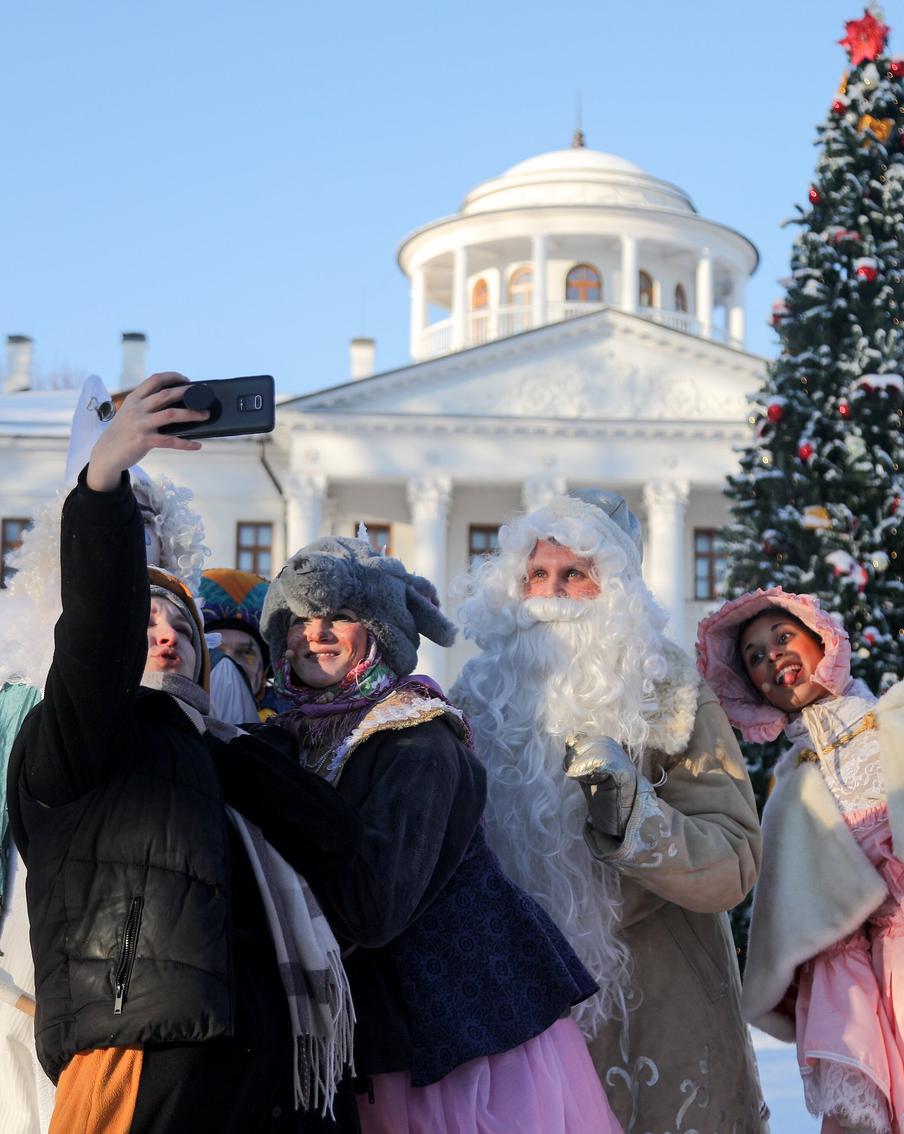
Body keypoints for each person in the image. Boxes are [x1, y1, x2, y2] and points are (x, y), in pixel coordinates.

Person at [7, 373, 359, 1133]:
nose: (165, 633)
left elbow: (339, 847)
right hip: (145, 1066)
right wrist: (102, 485)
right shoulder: (78, 739)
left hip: (268, 1071)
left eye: (181, 625)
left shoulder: (225, 753)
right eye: (146, 622)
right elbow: (95, 639)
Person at [253, 523, 624, 1133]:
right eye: (298, 619)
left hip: (460, 1040)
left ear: (379, 632)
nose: (314, 633)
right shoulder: (296, 736)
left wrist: (275, 789)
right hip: (372, 1033)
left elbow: (376, 908)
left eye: (338, 616)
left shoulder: (417, 737)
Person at [451, 490, 768, 1134]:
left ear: (616, 589)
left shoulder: (670, 691)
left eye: (574, 574)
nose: (550, 594)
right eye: (536, 574)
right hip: (517, 1019)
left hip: (656, 1013)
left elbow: (734, 860)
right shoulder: (476, 698)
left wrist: (632, 816)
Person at [0, 377, 210, 1134]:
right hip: (38, 972)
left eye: (148, 521)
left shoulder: (195, 706)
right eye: (126, 518)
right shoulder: (24, 683)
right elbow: (94, 645)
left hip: (135, 1002)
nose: (136, 536)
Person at [697, 586, 904, 1134]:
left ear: (822, 641)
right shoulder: (789, 791)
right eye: (755, 657)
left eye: (783, 637)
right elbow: (791, 919)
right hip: (853, 993)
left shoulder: (898, 721)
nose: (773, 658)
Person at [200, 567, 281, 723]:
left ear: (264, 671)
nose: (229, 662)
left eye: (245, 652)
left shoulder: (291, 727)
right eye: (214, 651)